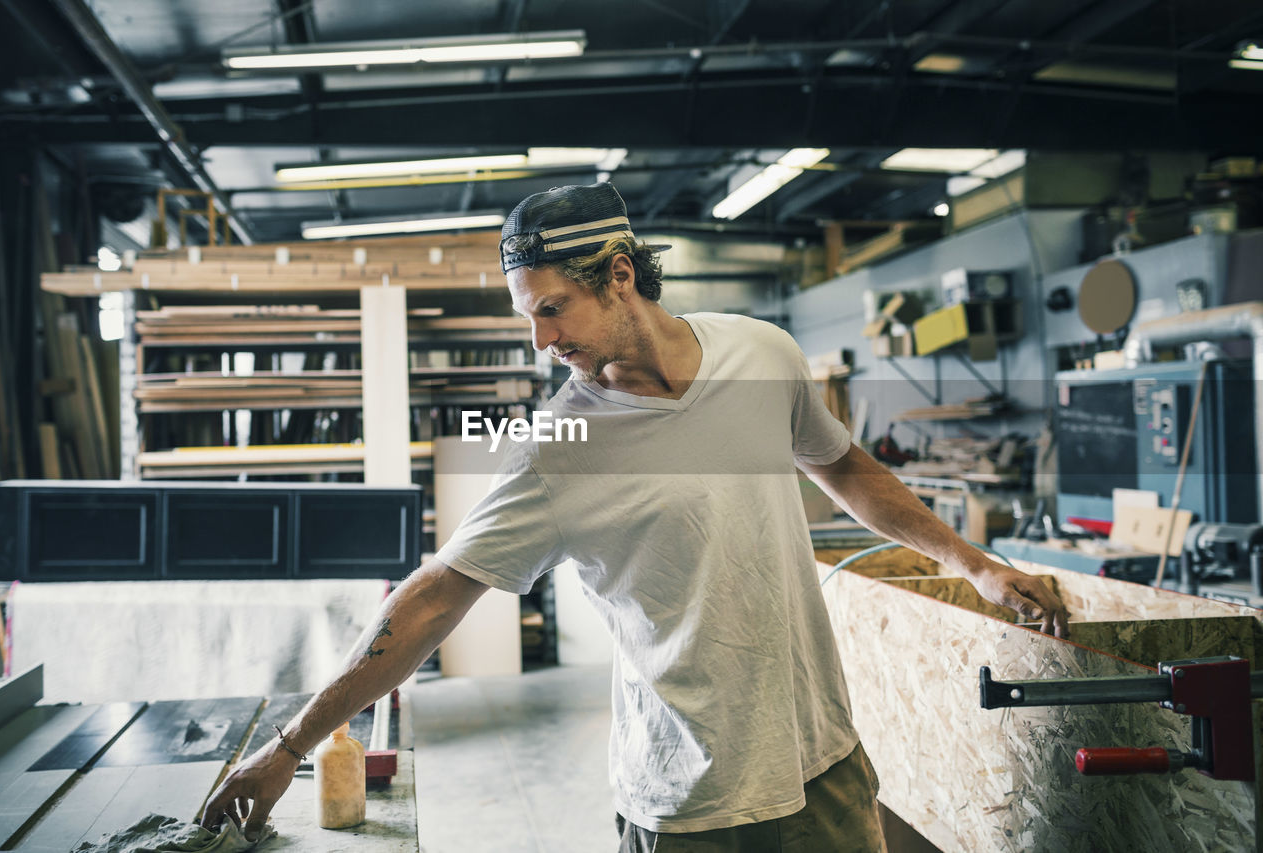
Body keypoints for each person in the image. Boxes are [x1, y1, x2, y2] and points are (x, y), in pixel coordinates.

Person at [200, 182, 1069, 851]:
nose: (540, 340)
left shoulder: (761, 352)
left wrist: (973, 563)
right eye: (525, 316)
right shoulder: (558, 445)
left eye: (551, 309)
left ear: (620, 276)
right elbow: (433, 598)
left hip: (825, 765)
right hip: (690, 802)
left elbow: (843, 465)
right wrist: (288, 746)